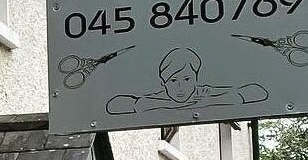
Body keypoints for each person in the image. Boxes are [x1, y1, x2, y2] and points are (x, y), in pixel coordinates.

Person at [105, 46, 268, 115]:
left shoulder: (207, 92)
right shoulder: (155, 98)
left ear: (196, 79)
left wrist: (211, 100)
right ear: (164, 83)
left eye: (187, 79)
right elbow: (113, 106)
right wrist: (171, 104)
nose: (181, 87)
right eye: (174, 80)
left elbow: (257, 92)